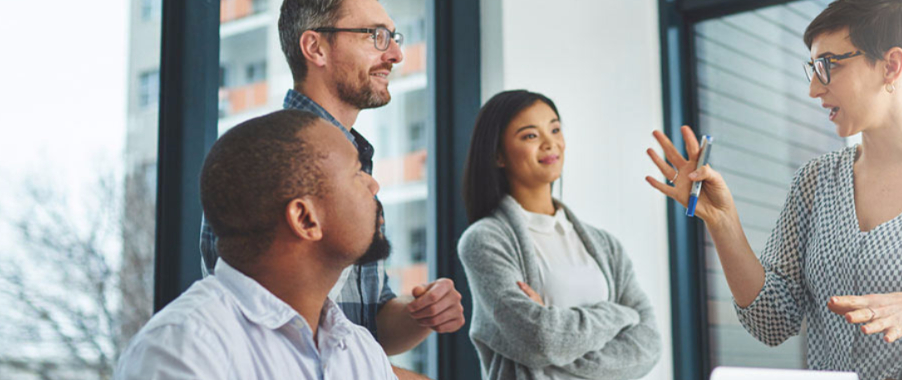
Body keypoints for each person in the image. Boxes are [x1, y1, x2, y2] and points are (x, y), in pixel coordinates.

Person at [644, 0, 902, 379]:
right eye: (813, 68)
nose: (814, 89)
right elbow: (771, 321)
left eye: (827, 65)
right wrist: (722, 221)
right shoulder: (815, 183)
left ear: (891, 65)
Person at [199, 0, 465, 376]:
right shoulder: (260, 160)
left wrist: (419, 313)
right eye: (376, 36)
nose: (396, 54)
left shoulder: (358, 170)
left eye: (392, 36)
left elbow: (367, 325)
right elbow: (257, 334)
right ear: (315, 48)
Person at [115, 110, 397, 379]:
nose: (373, 186)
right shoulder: (183, 348)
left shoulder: (361, 352)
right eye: (357, 173)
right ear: (305, 219)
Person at [457, 90, 663, 380]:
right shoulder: (484, 241)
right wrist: (621, 315)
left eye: (555, 129)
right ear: (498, 155)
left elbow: (649, 346)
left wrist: (558, 331)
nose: (550, 143)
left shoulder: (606, 245)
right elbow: (542, 340)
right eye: (530, 135)